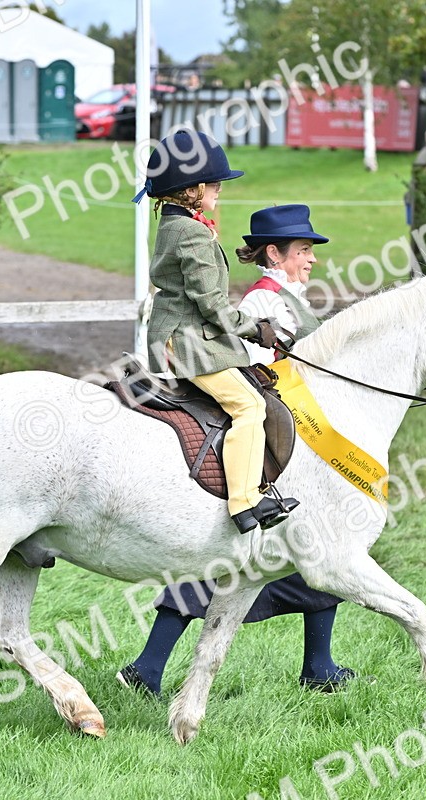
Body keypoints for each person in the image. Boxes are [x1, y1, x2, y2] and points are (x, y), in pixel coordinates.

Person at [118, 205, 355, 698]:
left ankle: (320, 664)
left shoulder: (289, 296)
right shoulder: (266, 303)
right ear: (275, 253)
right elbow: (264, 368)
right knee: (248, 557)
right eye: (303, 251)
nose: (311, 259)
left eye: (310, 251)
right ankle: (149, 664)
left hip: (293, 422)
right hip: (280, 426)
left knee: (319, 543)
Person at [136, 129, 296, 534]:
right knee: (249, 406)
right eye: (214, 184)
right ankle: (244, 502)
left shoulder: (181, 225)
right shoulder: (190, 232)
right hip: (188, 340)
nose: (219, 190)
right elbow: (210, 302)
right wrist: (255, 328)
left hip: (189, 334)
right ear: (190, 190)